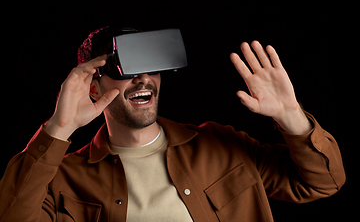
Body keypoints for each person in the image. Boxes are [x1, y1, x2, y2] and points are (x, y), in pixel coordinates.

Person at [0, 26, 345, 222]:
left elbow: (324, 182)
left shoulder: (220, 145)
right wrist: (59, 128)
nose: (144, 79)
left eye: (152, 66)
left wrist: (291, 116)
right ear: (93, 84)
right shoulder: (65, 179)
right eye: (128, 70)